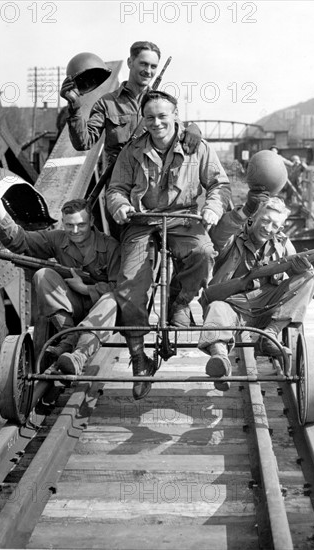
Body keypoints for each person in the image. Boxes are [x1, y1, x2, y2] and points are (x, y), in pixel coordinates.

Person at [106, 89, 231, 400]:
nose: (157, 122)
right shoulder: (132, 151)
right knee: (130, 287)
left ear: (176, 116)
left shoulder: (196, 147)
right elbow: (116, 188)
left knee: (203, 253)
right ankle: (139, 359)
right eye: (150, 117)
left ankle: (181, 300)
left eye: (163, 116)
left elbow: (219, 183)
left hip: (183, 218)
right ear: (144, 120)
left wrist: (213, 208)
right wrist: (120, 205)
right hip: (142, 220)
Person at [0, 190, 120, 376]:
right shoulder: (57, 238)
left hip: (101, 309)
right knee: (43, 274)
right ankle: (67, 336)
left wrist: (86, 288)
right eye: (69, 225)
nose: (75, 231)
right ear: (62, 222)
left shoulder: (110, 246)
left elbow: (121, 288)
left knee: (111, 299)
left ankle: (79, 355)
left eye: (81, 225)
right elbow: (22, 241)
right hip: (73, 305)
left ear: (92, 222)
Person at [198, 196, 314, 391]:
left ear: (280, 228)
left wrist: (304, 269)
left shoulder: (282, 244)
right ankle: (220, 360)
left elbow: (300, 280)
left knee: (309, 279)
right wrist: (242, 211)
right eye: (265, 220)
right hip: (232, 306)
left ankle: (270, 334)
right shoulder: (232, 238)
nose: (268, 228)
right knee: (216, 309)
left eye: (274, 225)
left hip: (267, 310)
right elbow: (220, 233)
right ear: (254, 218)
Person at [60, 41, 201, 167]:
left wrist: (194, 128)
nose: (148, 71)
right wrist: (74, 107)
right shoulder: (107, 103)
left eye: (153, 67)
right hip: (119, 184)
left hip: (153, 185)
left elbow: (180, 131)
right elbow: (84, 143)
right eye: (143, 64)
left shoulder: (163, 104)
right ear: (130, 62)